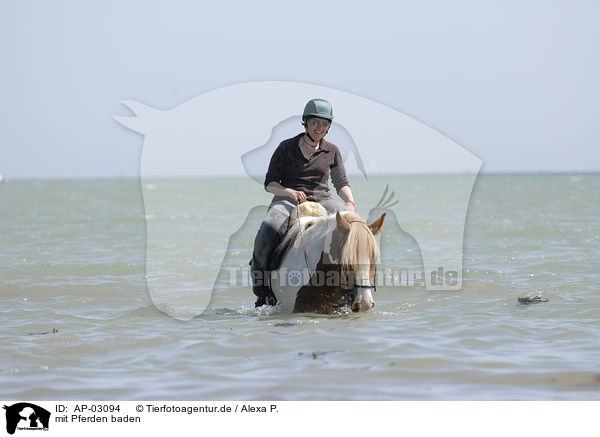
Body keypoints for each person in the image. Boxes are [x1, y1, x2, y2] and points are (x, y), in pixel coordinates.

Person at [251, 98, 356, 307]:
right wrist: (288, 192)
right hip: (287, 200)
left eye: (324, 123)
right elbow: (269, 184)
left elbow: (341, 182)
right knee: (267, 229)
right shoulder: (286, 147)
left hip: (323, 200)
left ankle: (356, 288)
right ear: (306, 122)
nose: (320, 127)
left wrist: (350, 203)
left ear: (328, 127)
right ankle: (262, 291)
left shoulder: (332, 150)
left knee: (355, 227)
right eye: (315, 122)